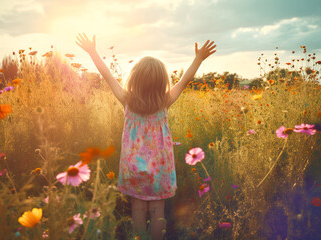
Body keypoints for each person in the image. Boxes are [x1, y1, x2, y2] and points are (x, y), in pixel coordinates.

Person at [76, 33, 216, 240]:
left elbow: (107, 75)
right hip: (160, 169)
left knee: (138, 209)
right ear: (162, 82)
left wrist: (92, 52)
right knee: (157, 211)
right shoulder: (165, 101)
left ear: (134, 80)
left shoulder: (127, 100)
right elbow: (186, 80)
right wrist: (198, 59)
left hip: (134, 168)